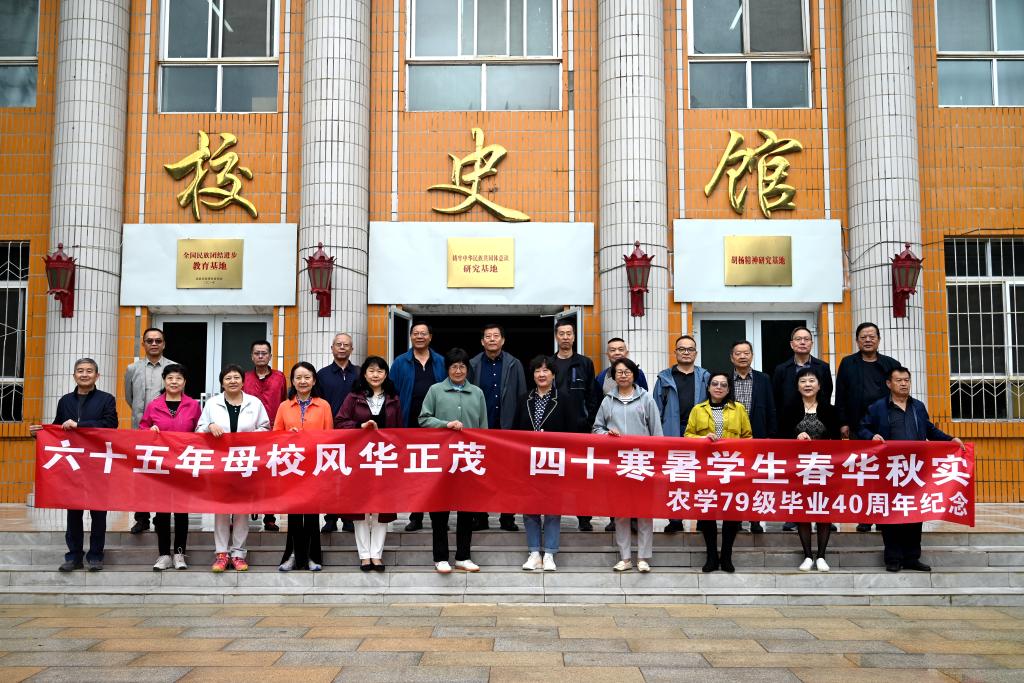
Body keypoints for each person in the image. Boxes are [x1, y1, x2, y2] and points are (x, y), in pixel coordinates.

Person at [858, 367, 965, 573]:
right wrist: (871, 436)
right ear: (889, 384)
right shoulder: (878, 407)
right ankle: (893, 558)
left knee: (915, 513)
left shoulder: (918, 407)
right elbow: (862, 427)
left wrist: (950, 440)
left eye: (906, 380)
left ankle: (912, 557)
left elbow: (929, 430)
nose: (904, 384)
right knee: (891, 514)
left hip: (915, 469)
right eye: (899, 380)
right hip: (890, 469)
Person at [30, 358, 118, 572]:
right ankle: (74, 556)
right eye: (80, 371)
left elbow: (110, 425)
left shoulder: (106, 399)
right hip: (73, 466)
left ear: (97, 376)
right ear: (74, 375)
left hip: (97, 464)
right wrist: (40, 434)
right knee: (73, 513)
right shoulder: (65, 400)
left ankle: (96, 556)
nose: (84, 374)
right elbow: (57, 429)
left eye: (89, 371)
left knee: (98, 513)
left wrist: (80, 425)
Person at [419, 348, 488, 573]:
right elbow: (423, 419)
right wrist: (444, 424)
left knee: (466, 509)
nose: (458, 371)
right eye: (454, 367)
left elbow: (483, 427)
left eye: (462, 366)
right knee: (439, 510)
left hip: (468, 459)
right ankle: (440, 557)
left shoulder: (477, 393)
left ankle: (463, 556)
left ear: (468, 369)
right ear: (447, 369)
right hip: (441, 460)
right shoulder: (435, 390)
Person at [197, 364, 270, 572]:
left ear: (243, 381)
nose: (232, 381)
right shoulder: (212, 403)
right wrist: (210, 426)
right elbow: (199, 429)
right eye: (228, 378)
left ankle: (238, 553)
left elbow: (265, 428)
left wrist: (251, 437)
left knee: (241, 510)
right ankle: (221, 554)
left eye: (236, 377)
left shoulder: (254, 403)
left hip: (245, 463)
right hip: (220, 463)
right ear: (222, 382)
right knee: (221, 509)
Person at [593, 357, 662, 573]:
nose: (623, 375)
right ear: (613, 376)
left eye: (627, 371)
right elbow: (596, 428)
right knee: (621, 512)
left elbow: (657, 432)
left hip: (642, 463)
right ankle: (625, 557)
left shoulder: (646, 399)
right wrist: (607, 434)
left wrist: (656, 461)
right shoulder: (607, 401)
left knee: (644, 512)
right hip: (617, 464)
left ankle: (643, 557)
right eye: (619, 372)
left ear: (634, 375)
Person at [335, 356, 402, 572]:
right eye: (371, 370)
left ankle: (377, 555)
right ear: (364, 374)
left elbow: (400, 430)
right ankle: (364, 555)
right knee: (361, 509)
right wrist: (360, 426)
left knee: (381, 509)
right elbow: (340, 422)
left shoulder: (393, 398)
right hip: (360, 460)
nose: (375, 375)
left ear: (386, 374)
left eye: (380, 371)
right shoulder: (354, 397)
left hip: (385, 460)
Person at [835, 322, 901, 532]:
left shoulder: (891, 364)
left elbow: (900, 393)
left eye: (872, 336)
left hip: (886, 427)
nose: (868, 340)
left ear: (879, 340)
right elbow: (841, 394)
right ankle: (865, 517)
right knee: (863, 473)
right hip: (858, 426)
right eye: (863, 337)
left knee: (885, 473)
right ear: (857, 341)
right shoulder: (848, 363)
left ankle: (882, 517)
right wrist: (843, 422)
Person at [684, 372, 751, 573]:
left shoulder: (738, 409)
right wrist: (703, 439)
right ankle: (712, 556)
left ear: (729, 389)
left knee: (731, 510)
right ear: (708, 387)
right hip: (706, 467)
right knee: (708, 510)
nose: (719, 387)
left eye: (723, 385)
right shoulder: (698, 410)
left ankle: (727, 556)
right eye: (715, 384)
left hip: (732, 466)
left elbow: (748, 436)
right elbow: (688, 435)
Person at [515, 356, 577, 572]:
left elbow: (573, 432)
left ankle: (549, 553)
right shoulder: (524, 399)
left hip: (554, 461)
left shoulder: (565, 400)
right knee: (530, 507)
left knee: (552, 507)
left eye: (545, 370)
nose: (541, 375)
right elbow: (514, 430)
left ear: (553, 374)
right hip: (528, 461)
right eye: (537, 371)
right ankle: (534, 553)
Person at [138, 363, 201, 571]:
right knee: (162, 512)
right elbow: (143, 427)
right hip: (161, 465)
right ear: (164, 381)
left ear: (185, 382)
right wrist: (149, 431)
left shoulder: (193, 405)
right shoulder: (154, 405)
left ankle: (180, 554)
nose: (174, 382)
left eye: (178, 378)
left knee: (182, 512)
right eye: (170, 378)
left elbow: (200, 431)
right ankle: (164, 554)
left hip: (183, 465)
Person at [772, 326, 834, 532]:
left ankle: (824, 516)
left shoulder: (823, 367)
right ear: (792, 344)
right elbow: (776, 398)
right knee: (794, 475)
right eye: (798, 339)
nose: (802, 342)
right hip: (791, 429)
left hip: (819, 429)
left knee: (821, 477)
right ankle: (793, 515)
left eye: (806, 339)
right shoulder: (782, 369)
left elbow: (827, 395)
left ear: (812, 343)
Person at [273, 362, 333, 571]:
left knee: (312, 515)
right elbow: (275, 436)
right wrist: (287, 436)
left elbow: (330, 437)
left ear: (314, 380)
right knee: (294, 515)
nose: (303, 381)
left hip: (315, 466)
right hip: (292, 466)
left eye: (307, 377)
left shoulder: (323, 406)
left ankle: (312, 557)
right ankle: (292, 556)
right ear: (292, 381)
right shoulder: (284, 406)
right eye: (298, 377)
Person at [779, 367, 840, 571]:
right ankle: (807, 555)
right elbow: (780, 436)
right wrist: (794, 437)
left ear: (819, 385)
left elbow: (837, 442)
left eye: (812, 381)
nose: (807, 384)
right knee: (802, 510)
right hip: (798, 469)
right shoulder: (788, 409)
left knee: (823, 510)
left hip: (824, 469)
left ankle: (821, 556)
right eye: (803, 381)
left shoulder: (830, 410)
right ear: (797, 386)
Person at [469, 323, 526, 531]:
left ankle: (507, 517)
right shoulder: (473, 364)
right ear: (482, 341)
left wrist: (519, 428)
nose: (492, 339)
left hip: (507, 428)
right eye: (488, 336)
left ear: (503, 340)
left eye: (496, 336)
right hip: (481, 429)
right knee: (479, 473)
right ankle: (480, 516)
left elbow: (522, 395)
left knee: (508, 475)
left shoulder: (514, 364)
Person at [390, 321, 445, 532]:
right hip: (409, 424)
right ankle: (416, 516)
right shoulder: (400, 362)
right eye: (416, 333)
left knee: (436, 471)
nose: (419, 336)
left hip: (436, 426)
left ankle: (438, 515)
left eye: (423, 333)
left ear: (430, 337)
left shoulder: (440, 361)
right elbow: (392, 393)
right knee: (414, 472)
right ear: (411, 336)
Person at [654, 334, 709, 533]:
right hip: (672, 433)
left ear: (696, 353)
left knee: (702, 477)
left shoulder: (705, 377)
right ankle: (675, 519)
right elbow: (656, 409)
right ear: (675, 352)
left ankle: (703, 518)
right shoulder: (664, 378)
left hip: (700, 434)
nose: (686, 352)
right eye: (682, 349)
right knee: (674, 477)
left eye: (690, 349)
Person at [124, 327, 176, 534]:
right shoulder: (132, 368)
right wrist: (143, 419)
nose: (154, 344)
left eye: (158, 341)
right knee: (141, 475)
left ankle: (161, 518)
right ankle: (141, 518)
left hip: (166, 433)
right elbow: (129, 397)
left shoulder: (173, 368)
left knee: (164, 474)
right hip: (141, 431)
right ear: (143, 344)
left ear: (164, 344)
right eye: (149, 341)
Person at [594, 337, 648, 532]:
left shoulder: (638, 374)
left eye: (620, 349)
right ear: (607, 354)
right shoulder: (602, 377)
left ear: (627, 352)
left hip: (636, 440)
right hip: (612, 440)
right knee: (614, 481)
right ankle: (615, 518)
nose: (617, 352)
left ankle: (635, 517)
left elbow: (644, 403)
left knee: (635, 479)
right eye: (612, 350)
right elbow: (597, 407)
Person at [552, 320, 601, 531]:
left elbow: (592, 395)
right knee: (554, 474)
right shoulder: (549, 363)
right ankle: (552, 516)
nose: (565, 337)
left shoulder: (585, 363)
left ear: (574, 336)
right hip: (554, 429)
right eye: (561, 333)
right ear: (556, 336)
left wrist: (589, 422)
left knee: (581, 475)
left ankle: (584, 518)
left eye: (569, 333)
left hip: (579, 429)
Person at [731, 340, 776, 533]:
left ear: (752, 355)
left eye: (746, 353)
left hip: (758, 437)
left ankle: (755, 520)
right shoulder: (725, 379)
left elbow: (771, 407)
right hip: (732, 439)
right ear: (731, 357)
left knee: (756, 480)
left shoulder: (763, 379)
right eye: (738, 353)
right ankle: (736, 520)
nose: (742, 356)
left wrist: (771, 435)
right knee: (734, 480)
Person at [318, 332, 360, 534]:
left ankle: (349, 517)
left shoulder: (359, 373)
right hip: (330, 434)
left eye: (346, 345)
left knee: (352, 477)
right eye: (338, 344)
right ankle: (331, 518)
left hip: (355, 434)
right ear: (332, 348)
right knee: (330, 477)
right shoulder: (322, 375)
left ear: (352, 349)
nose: (342, 347)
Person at [243, 340, 287, 532]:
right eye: (257, 353)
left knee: (270, 475)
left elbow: (284, 401)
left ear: (270, 356)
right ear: (252, 356)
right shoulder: (244, 378)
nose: (260, 356)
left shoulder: (279, 377)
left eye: (264, 353)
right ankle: (243, 512)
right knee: (246, 474)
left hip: (273, 433)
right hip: (249, 434)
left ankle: (269, 517)